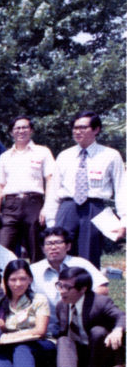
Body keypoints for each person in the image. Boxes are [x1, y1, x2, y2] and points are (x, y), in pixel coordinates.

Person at [46, 111, 126, 268]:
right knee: (60, 253)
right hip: (67, 208)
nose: (77, 131)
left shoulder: (110, 155)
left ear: (96, 130)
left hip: (94, 208)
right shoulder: (64, 155)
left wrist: (124, 220)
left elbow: (122, 188)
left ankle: (89, 291)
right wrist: (51, 221)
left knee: (89, 256)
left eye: (83, 127)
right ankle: (61, 290)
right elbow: (54, 191)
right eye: (75, 128)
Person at [0, 259, 54, 367]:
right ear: (6, 281)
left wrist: (12, 337)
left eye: (23, 279)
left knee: (21, 347)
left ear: (30, 279)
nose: (18, 284)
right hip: (12, 345)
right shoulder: (2, 301)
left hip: (40, 344)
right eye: (13, 279)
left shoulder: (39, 299)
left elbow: (40, 331)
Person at [54, 266, 125, 367]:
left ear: (83, 289)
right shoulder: (61, 306)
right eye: (59, 285)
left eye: (67, 287)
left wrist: (117, 330)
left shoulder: (100, 302)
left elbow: (122, 316)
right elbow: (60, 331)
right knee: (63, 339)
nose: (61, 291)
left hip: (101, 352)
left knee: (97, 331)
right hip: (79, 355)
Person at [0, 115, 56, 259]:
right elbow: (0, 185)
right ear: (11, 132)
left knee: (35, 248)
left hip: (34, 203)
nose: (21, 131)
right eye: (17, 128)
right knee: (3, 246)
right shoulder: (5, 156)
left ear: (31, 130)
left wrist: (47, 207)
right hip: (10, 205)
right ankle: (2, 280)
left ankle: (38, 280)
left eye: (25, 127)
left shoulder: (42, 152)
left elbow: (50, 180)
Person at [29, 227, 109, 336]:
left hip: (81, 322)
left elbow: (102, 289)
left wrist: (79, 302)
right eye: (48, 244)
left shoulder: (81, 264)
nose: (53, 247)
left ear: (68, 246)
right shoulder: (33, 270)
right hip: (48, 326)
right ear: (43, 248)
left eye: (58, 242)